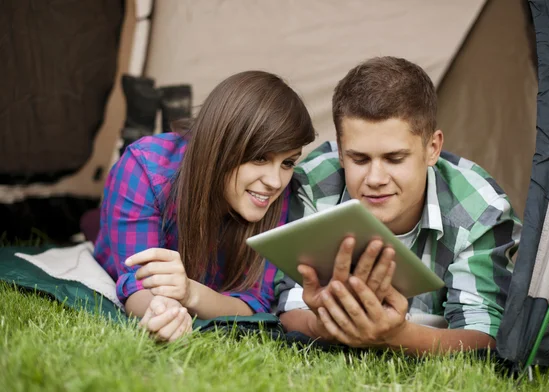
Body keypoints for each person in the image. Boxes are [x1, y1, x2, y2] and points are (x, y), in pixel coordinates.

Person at [276, 57, 522, 354]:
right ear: (340, 153)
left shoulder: (480, 207)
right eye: (359, 159)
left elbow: (482, 336)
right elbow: (289, 303)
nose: (375, 179)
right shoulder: (313, 182)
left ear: (432, 148)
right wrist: (320, 327)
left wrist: (396, 335)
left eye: (394, 159)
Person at [94, 71, 316, 341]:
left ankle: (151, 121)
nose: (274, 181)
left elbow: (254, 304)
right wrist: (164, 311)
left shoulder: (280, 196)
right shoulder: (143, 170)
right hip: (130, 214)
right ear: (221, 145)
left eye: (288, 163)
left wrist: (190, 293)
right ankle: (137, 128)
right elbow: (138, 284)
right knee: (89, 221)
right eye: (259, 158)